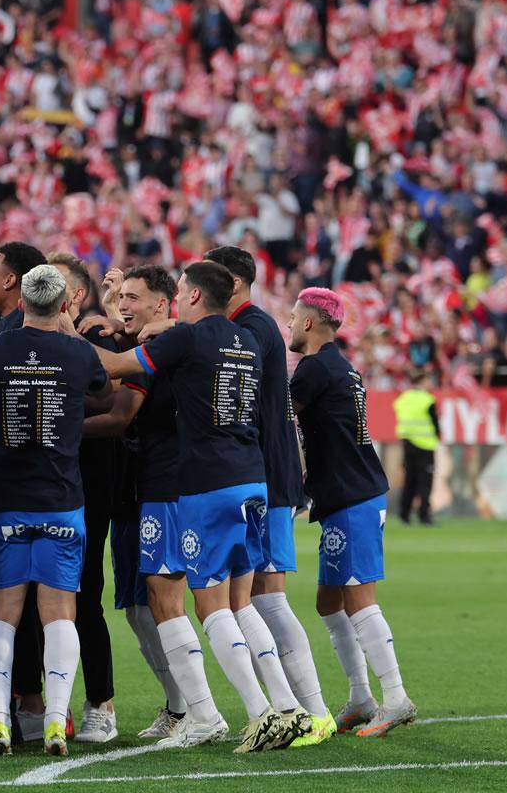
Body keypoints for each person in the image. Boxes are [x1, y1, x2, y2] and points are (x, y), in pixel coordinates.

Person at [82, 261, 306, 753]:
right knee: (239, 602)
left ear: (195, 297)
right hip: (252, 477)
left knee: (202, 602)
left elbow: (115, 368)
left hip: (202, 481)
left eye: (182, 291)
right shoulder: (245, 338)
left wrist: (55, 334)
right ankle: (288, 707)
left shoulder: (187, 339)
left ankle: (238, 713)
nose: (179, 297)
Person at [0, 264, 108, 757]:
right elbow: (103, 390)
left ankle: (0, 720)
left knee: (3, 608)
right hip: (61, 500)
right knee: (60, 611)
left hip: (6, 501)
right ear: (64, 306)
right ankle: (56, 721)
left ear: (20, 304)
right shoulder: (79, 353)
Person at [206, 246, 335, 745]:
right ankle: (300, 710)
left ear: (233, 283)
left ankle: (314, 712)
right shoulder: (255, 327)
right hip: (265, 474)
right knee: (260, 597)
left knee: (269, 598)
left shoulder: (252, 328)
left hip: (267, 477)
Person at [287, 286, 417, 738]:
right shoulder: (342, 367)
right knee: (329, 601)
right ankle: (361, 697)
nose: (287, 324)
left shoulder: (314, 369)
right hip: (348, 495)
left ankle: (396, 698)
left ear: (308, 323)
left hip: (353, 498)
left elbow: (278, 420)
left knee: (359, 600)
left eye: (291, 317)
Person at [80, 265, 187, 741]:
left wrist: (63, 335)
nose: (122, 304)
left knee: (172, 603)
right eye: (119, 296)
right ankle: (179, 705)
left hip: (165, 489)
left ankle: (193, 708)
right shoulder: (137, 338)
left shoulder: (171, 344)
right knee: (136, 607)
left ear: (162, 304)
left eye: (132, 297)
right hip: (131, 493)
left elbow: (122, 410)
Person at [46, 253, 119, 743]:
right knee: (40, 597)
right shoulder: (24, 337)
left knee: (84, 593)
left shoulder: (100, 338)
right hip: (44, 484)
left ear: (71, 296)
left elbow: (112, 403)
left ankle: (102, 706)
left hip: (90, 483)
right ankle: (47, 707)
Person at [393, 369, 440, 525]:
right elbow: (435, 422)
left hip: (408, 443)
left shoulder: (403, 398)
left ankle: (404, 513)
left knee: (410, 480)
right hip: (425, 444)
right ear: (422, 382)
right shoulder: (427, 399)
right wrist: (437, 434)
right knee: (425, 482)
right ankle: (424, 515)